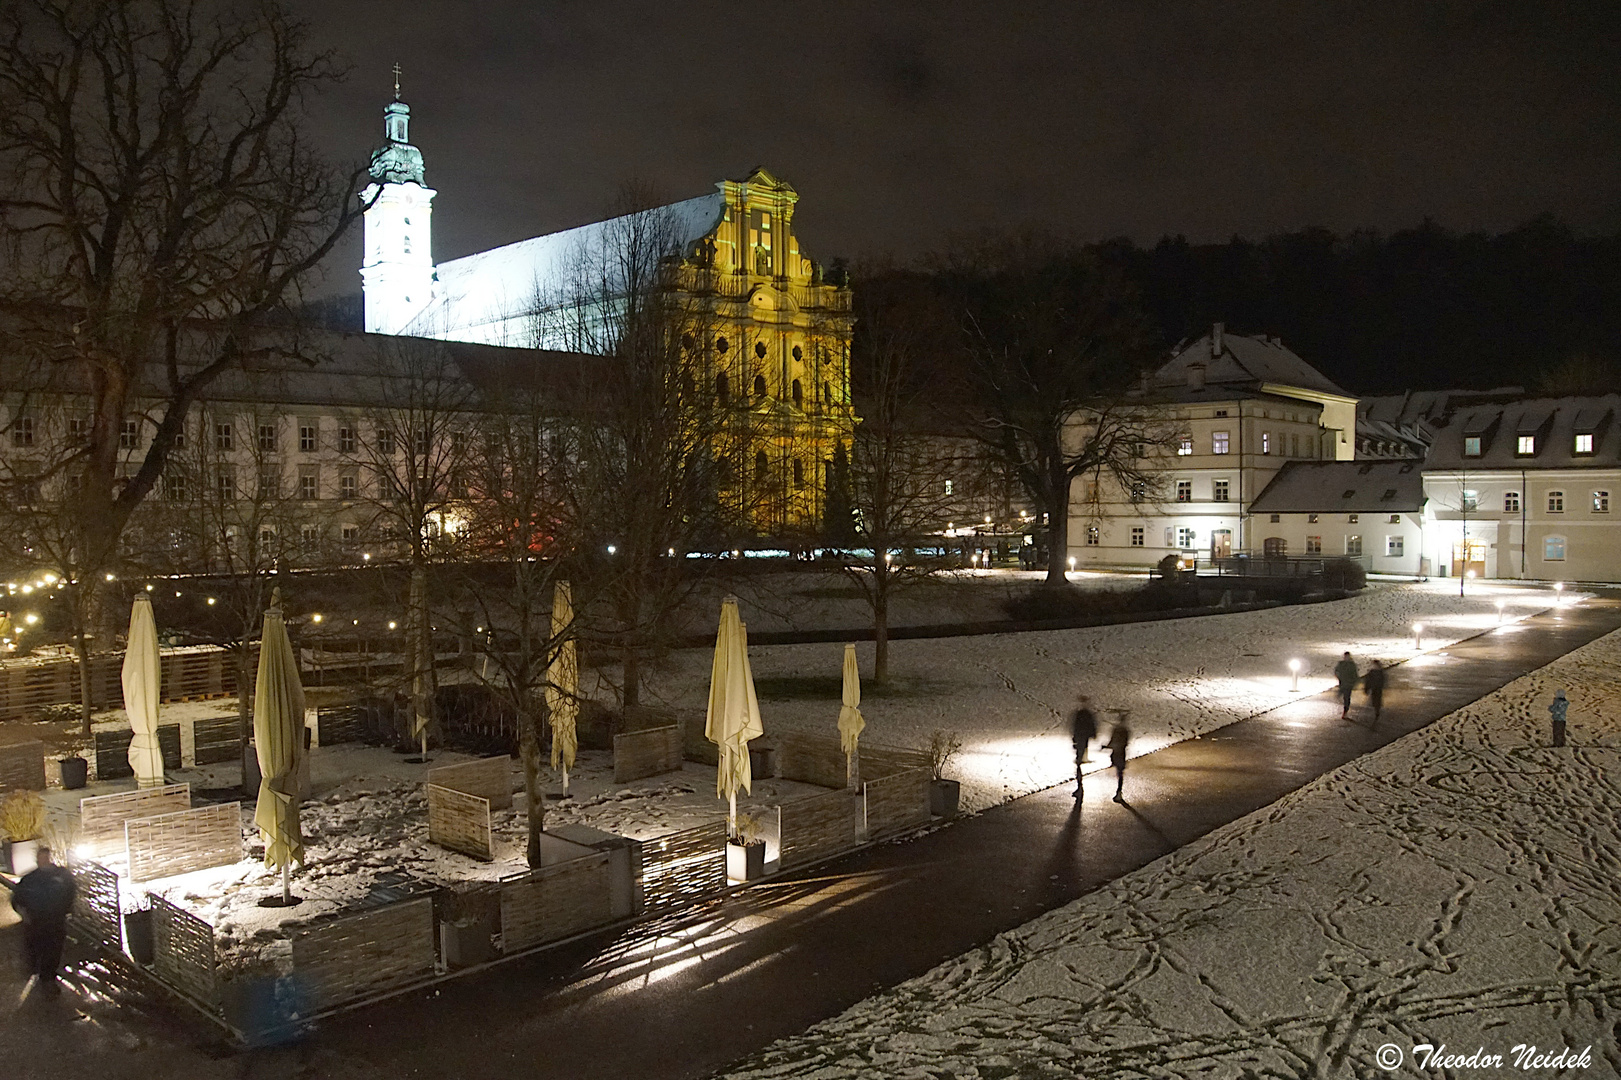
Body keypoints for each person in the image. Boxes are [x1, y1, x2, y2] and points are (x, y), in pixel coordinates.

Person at [11, 845, 77, 996]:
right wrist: (24, 914)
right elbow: (17, 898)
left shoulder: (61, 876)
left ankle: (48, 980)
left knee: (53, 951)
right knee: (38, 949)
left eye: (45, 858)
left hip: (55, 921)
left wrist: (67, 909)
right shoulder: (30, 879)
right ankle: (38, 972)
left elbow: (70, 892)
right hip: (36, 922)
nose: (43, 861)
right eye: (40, 858)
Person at [1071, 695, 1098, 798]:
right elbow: (1092, 727)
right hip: (1083, 740)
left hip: (1080, 740)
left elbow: (1076, 727)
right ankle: (1079, 786)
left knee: (1078, 762)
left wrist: (1075, 738)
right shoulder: (1087, 714)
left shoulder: (1080, 714)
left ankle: (1080, 787)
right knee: (1079, 760)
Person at [1107, 721, 1130, 803]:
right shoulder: (1124, 731)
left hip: (1118, 754)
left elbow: (1113, 741)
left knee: (1119, 773)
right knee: (1120, 773)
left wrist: (1107, 746)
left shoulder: (1118, 730)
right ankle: (1119, 792)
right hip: (1120, 754)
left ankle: (1119, 792)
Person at [1334, 652, 1360, 719]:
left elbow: (1355, 675)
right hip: (1343, 683)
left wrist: (1354, 682)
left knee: (1346, 698)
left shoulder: (1351, 665)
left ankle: (1345, 710)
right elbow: (1336, 671)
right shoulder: (1341, 664)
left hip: (1348, 684)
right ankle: (1344, 708)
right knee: (1342, 695)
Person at [1363, 660, 1387, 726]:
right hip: (1375, 689)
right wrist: (1367, 688)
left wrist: (1367, 688)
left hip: (1377, 689)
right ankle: (1376, 709)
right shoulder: (1374, 672)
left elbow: (1368, 681)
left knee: (1377, 700)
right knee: (1375, 700)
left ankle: (1377, 710)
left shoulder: (1376, 672)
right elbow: (1368, 681)